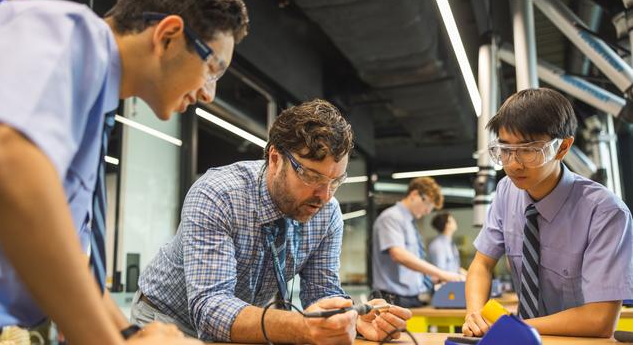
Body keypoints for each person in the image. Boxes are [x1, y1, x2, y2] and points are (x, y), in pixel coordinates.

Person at [0, 0, 248, 344]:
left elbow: (74, 260)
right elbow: (5, 161)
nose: (208, 93)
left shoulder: (94, 109)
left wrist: (128, 333)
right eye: (213, 68)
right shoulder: (67, 31)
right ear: (168, 35)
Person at [132, 99, 412, 344]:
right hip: (165, 319)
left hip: (236, 325)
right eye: (312, 177)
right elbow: (210, 308)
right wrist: (303, 327)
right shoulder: (219, 194)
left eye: (335, 181)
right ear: (275, 159)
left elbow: (322, 295)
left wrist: (350, 318)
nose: (324, 196)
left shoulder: (327, 214)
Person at [463, 88, 633, 338]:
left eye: (529, 150)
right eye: (505, 150)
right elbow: (481, 264)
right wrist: (475, 315)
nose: (513, 164)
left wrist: (509, 324)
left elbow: (600, 319)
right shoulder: (505, 192)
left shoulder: (605, 212)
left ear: (563, 148)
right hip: (522, 339)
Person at [372, 177, 466, 308]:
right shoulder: (391, 218)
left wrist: (429, 277)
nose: (428, 211)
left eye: (431, 208)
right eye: (427, 204)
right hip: (393, 299)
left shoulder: (410, 224)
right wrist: (441, 273)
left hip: (410, 298)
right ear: (414, 194)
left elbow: (412, 262)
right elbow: (398, 255)